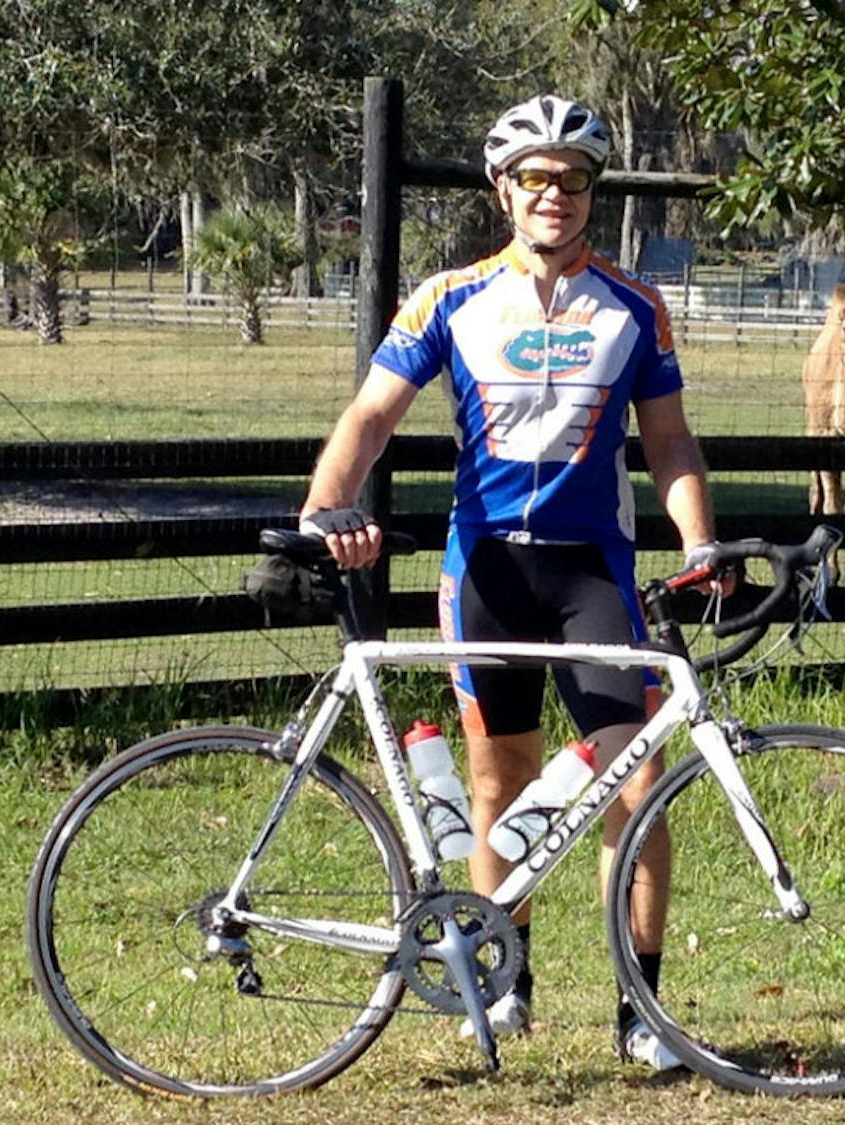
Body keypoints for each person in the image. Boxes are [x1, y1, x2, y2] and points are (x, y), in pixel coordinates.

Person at [299, 94, 722, 1072]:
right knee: (502, 788)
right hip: (485, 567)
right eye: (533, 178)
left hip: (592, 573)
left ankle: (641, 1011)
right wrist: (328, 508)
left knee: (638, 788)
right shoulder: (448, 296)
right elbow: (370, 415)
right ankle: (504, 980)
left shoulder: (633, 306)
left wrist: (698, 540)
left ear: (592, 193)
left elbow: (668, 441)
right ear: (504, 189)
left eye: (572, 180)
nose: (553, 196)